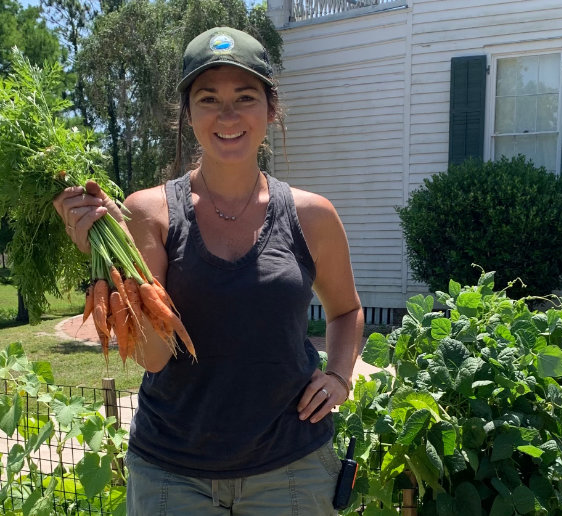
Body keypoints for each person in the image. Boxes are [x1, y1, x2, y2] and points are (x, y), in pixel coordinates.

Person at [53, 26, 364, 515]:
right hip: (172, 476)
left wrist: (340, 376)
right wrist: (115, 263)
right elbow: (154, 357)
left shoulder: (312, 215)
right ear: (188, 113)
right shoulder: (148, 212)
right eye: (208, 98)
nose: (228, 115)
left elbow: (346, 311)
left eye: (245, 96)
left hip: (291, 469)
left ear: (270, 108)